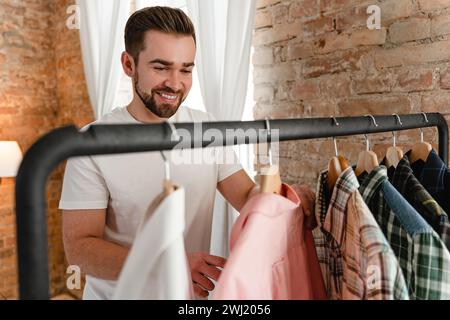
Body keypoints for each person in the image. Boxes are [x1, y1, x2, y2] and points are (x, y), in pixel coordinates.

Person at [59, 6, 315, 300]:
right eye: (160, 67)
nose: (175, 83)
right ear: (129, 64)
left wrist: (284, 198)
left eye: (186, 69)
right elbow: (80, 249)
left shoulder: (207, 129)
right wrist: (169, 266)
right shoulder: (92, 144)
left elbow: (246, 197)